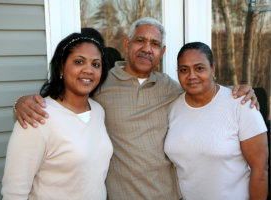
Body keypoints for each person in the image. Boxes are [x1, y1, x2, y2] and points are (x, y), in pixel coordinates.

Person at [13, 18, 258, 200]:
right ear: (128, 43)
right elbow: (66, 97)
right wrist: (21, 102)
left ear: (162, 52)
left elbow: (203, 88)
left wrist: (239, 91)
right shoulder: (100, 82)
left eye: (154, 44)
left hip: (168, 196)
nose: (147, 48)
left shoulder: (172, 89)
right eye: (140, 40)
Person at [1, 32, 113, 200]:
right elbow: (14, 193)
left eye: (96, 64)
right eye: (79, 62)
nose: (89, 70)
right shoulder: (38, 115)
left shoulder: (98, 111)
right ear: (61, 67)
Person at [164, 42, 268, 200]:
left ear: (213, 69)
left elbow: (260, 171)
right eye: (184, 70)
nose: (191, 75)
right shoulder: (172, 108)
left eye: (199, 68)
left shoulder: (241, 104)